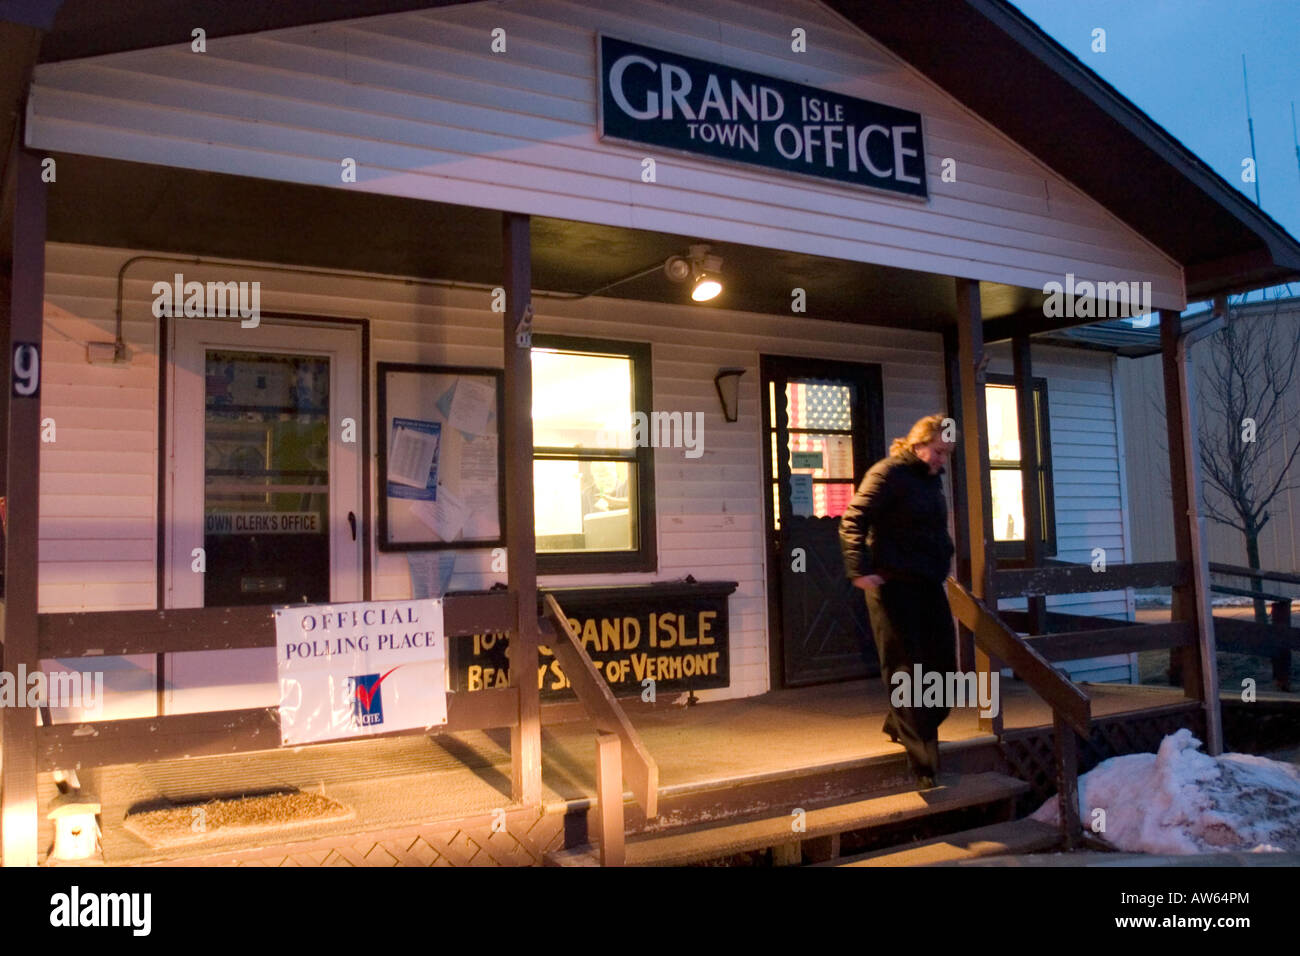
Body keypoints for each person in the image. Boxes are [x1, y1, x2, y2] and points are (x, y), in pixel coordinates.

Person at [838, 414, 957, 790]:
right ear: (919, 442)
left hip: (928, 584)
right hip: (892, 586)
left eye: (947, 454)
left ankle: (899, 723)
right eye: (938, 451)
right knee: (906, 669)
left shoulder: (930, 482)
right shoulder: (887, 473)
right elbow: (853, 518)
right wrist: (859, 568)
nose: (942, 460)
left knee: (944, 671)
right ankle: (924, 763)